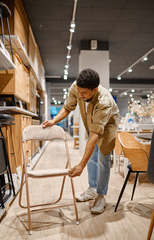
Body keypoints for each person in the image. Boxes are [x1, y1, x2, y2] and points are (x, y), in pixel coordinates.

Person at [42, 68, 119, 214]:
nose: (80, 95)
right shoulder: (76, 87)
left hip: (108, 125)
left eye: (84, 93)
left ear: (95, 90)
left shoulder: (105, 102)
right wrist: (53, 121)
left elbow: (95, 134)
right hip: (92, 121)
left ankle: (101, 195)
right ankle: (92, 189)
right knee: (90, 157)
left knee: (103, 158)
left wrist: (80, 166)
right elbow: (67, 107)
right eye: (79, 91)